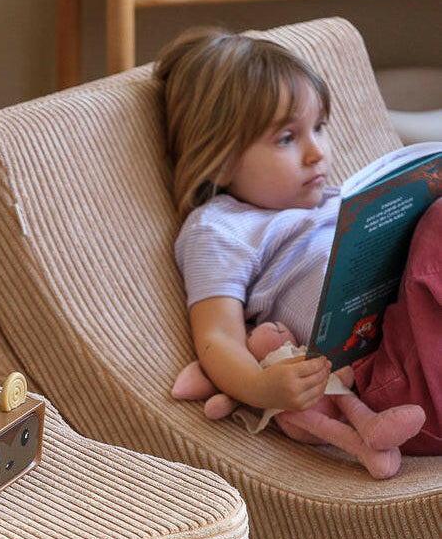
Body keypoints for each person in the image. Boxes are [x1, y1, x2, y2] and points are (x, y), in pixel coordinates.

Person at [155, 27, 440, 455]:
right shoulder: (219, 227)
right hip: (388, 378)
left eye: (319, 128)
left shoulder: (333, 201)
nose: (318, 152)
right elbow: (217, 336)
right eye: (287, 138)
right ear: (219, 159)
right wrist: (258, 386)